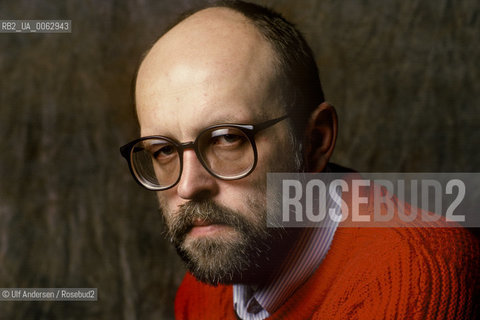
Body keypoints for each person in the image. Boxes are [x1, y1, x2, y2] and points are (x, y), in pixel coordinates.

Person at [120, 1, 479, 319]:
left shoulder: (417, 275)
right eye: (163, 150)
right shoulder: (207, 281)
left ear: (315, 142)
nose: (187, 186)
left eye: (228, 138)